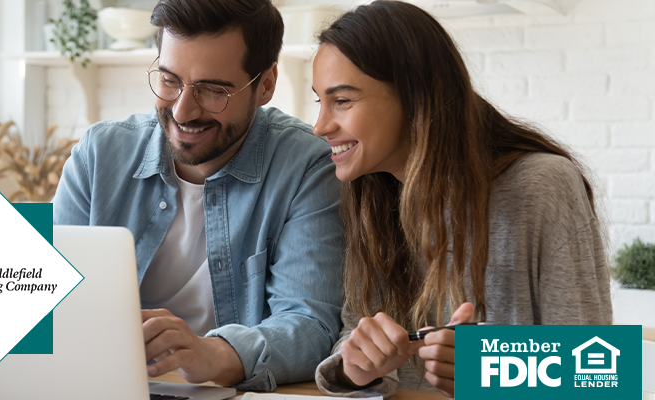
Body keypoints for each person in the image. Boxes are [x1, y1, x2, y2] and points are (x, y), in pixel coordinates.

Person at [310, 1, 612, 398]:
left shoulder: (542, 186)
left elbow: (602, 374)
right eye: (320, 101)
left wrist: (497, 371)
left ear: (415, 96)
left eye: (343, 101)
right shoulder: (373, 195)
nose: (320, 127)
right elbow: (357, 333)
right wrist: (354, 369)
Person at [51, 0, 345, 392]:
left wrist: (212, 354)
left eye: (212, 90)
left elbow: (312, 325)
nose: (183, 111)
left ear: (266, 85)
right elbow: (45, 298)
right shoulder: (99, 154)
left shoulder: (307, 166)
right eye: (170, 80)